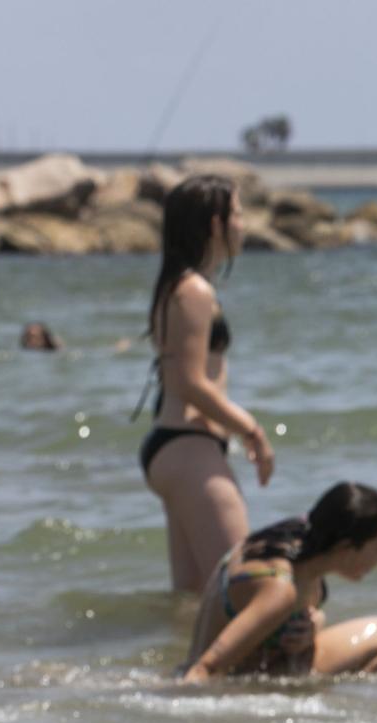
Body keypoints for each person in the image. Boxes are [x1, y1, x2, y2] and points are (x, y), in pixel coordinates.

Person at [140, 174, 276, 594]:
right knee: (247, 590)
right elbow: (190, 383)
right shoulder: (194, 290)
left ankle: (179, 660)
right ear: (215, 225)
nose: (244, 224)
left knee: (195, 598)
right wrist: (251, 429)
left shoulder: (178, 285)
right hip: (189, 448)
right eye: (237, 214)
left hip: (173, 446)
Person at [180, 481, 377, 681]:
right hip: (239, 685)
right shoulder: (279, 589)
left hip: (253, 673)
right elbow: (206, 668)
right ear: (345, 547)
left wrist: (315, 623)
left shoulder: (292, 540)